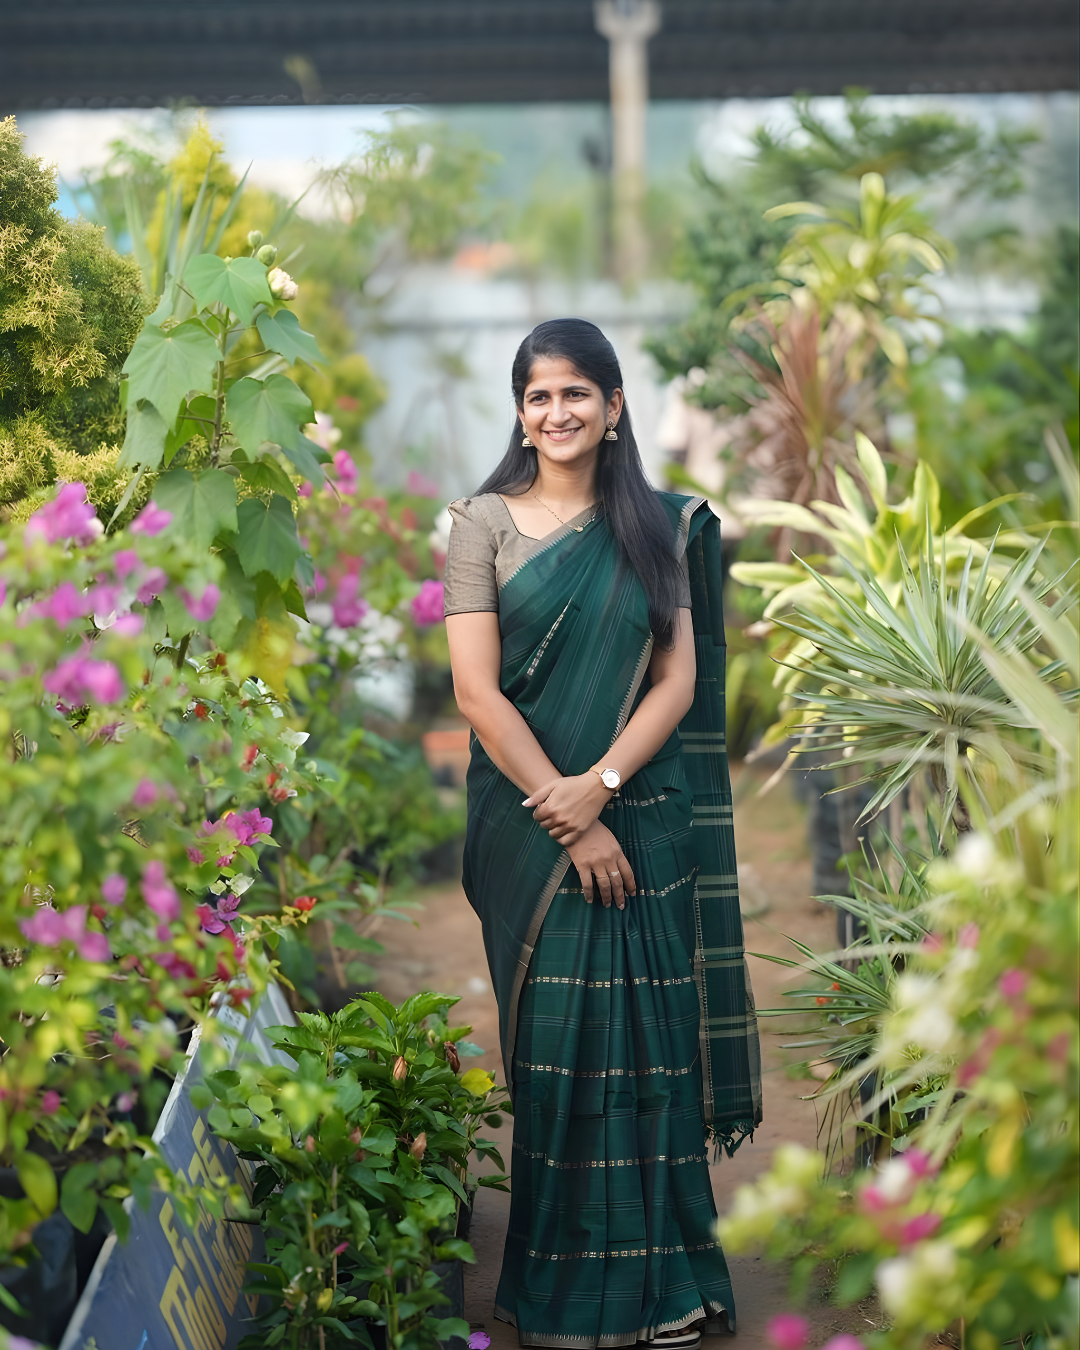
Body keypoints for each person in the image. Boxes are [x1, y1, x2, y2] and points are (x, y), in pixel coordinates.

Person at [443, 319, 761, 1349]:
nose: (557, 412)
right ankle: (564, 1285)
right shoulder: (481, 524)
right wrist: (568, 814)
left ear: (615, 407)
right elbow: (476, 694)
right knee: (555, 1059)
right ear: (521, 413)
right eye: (538, 396)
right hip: (528, 836)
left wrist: (606, 784)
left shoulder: (661, 529)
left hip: (640, 815)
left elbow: (677, 679)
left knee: (649, 1059)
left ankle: (666, 1287)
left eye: (577, 393)